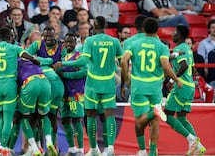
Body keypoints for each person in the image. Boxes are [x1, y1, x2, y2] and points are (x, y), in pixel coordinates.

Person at [53, 17, 122, 156]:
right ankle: (110, 149)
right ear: (106, 25)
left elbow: (83, 61)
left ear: (94, 26)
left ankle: (93, 149)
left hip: (92, 85)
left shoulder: (90, 41)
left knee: (91, 115)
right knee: (109, 115)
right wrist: (124, 80)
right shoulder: (114, 41)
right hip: (108, 84)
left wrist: (64, 64)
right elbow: (123, 61)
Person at [121, 17, 182, 156]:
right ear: (157, 30)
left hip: (139, 87)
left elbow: (124, 61)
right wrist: (176, 79)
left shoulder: (134, 43)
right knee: (154, 122)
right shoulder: (161, 46)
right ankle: (152, 152)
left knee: (140, 121)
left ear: (143, 29)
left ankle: (142, 149)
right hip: (155, 87)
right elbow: (166, 65)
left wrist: (126, 79)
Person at [0, 27, 41, 156]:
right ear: (10, 37)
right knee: (8, 118)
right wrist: (34, 59)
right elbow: (25, 55)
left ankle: (1, 147)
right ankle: (4, 148)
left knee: (1, 118)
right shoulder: (13, 48)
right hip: (9, 84)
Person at [164, 25, 207, 156]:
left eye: (175, 32)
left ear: (180, 35)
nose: (173, 34)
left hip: (181, 86)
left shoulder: (179, 48)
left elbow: (184, 65)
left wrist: (172, 80)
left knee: (168, 115)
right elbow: (193, 69)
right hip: (190, 86)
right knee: (182, 117)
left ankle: (191, 140)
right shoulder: (188, 49)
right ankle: (198, 146)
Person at [26, 26, 66, 149]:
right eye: (46, 36)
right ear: (43, 36)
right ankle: (45, 147)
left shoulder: (62, 46)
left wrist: (41, 61)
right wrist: (45, 61)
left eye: (51, 36)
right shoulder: (38, 45)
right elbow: (26, 55)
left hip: (56, 82)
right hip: (46, 82)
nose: (48, 38)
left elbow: (65, 63)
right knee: (43, 117)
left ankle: (50, 147)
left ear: (56, 35)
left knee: (49, 116)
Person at [15, 57, 55, 156]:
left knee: (24, 117)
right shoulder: (32, 58)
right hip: (45, 81)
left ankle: (34, 148)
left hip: (30, 83)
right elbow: (49, 60)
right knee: (44, 115)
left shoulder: (13, 61)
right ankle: (49, 142)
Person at [58, 33, 86, 155]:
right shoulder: (62, 56)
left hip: (75, 93)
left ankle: (80, 148)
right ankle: (71, 147)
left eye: (71, 42)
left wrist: (66, 75)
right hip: (63, 94)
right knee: (65, 120)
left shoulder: (79, 56)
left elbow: (84, 72)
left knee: (76, 120)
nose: (69, 44)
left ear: (76, 43)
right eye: (67, 42)